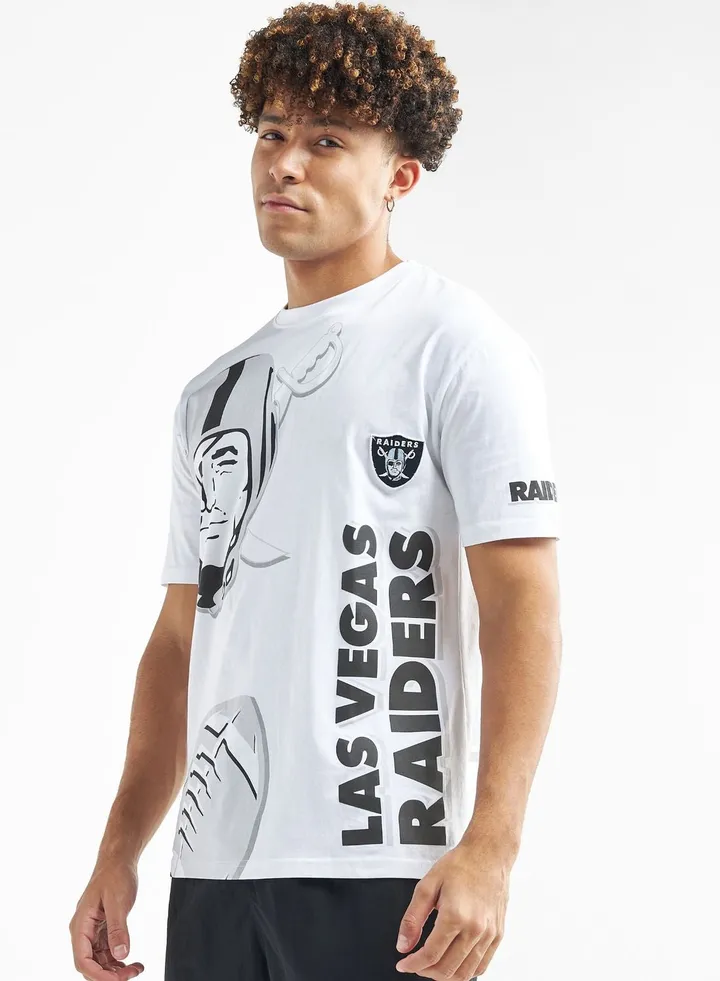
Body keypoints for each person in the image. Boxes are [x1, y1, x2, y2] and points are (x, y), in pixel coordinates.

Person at [68, 4, 562, 980]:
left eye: (327, 141)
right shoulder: (212, 394)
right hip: (215, 869)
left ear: (400, 176)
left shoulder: (458, 347)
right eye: (271, 133)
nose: (285, 164)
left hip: (384, 864)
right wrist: (119, 850)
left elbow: (523, 604)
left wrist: (492, 847)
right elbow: (180, 639)